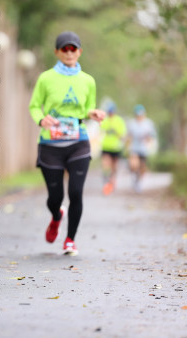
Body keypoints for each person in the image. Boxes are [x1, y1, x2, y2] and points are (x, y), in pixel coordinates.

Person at [29, 31, 106, 256]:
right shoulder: (46, 78)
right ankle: (56, 216)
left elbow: (87, 107)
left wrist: (92, 113)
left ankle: (70, 240)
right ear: (57, 52)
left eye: (73, 49)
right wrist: (41, 120)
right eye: (65, 48)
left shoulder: (88, 81)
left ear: (79, 52)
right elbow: (34, 106)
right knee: (55, 198)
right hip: (50, 144)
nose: (69, 52)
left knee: (76, 192)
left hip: (77, 142)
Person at [126, 104, 157, 193]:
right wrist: (127, 146)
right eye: (138, 115)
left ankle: (140, 181)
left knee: (142, 167)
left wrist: (149, 140)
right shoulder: (131, 123)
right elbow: (128, 136)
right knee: (134, 165)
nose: (139, 116)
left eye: (141, 115)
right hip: (134, 148)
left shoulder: (148, 123)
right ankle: (134, 177)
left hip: (143, 148)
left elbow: (152, 136)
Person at [100, 102, 127, 195]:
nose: (110, 113)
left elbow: (122, 134)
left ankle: (112, 180)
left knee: (114, 166)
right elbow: (100, 130)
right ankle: (106, 179)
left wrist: (116, 133)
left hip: (116, 147)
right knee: (105, 164)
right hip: (106, 146)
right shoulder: (105, 120)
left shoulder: (119, 120)